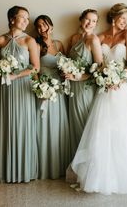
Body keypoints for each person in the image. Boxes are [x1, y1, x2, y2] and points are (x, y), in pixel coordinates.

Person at [70, 3, 127, 195]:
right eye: (123, 18)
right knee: (102, 128)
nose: (125, 22)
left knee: (122, 128)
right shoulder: (99, 37)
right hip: (104, 87)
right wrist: (105, 79)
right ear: (113, 17)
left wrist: (120, 78)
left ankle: (124, 173)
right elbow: (98, 64)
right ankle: (99, 174)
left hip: (121, 88)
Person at [0, 5, 39, 183]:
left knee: (22, 125)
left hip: (23, 88)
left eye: (27, 19)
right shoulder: (0, 40)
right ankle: (5, 171)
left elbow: (36, 68)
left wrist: (16, 75)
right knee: (6, 125)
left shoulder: (29, 41)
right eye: (22, 17)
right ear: (12, 19)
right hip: (5, 89)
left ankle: (24, 170)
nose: (26, 21)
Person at [34, 15, 71, 179]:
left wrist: (65, 75)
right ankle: (43, 167)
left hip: (59, 90)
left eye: (44, 24)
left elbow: (67, 64)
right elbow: (34, 69)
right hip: (44, 88)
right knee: (43, 125)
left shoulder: (59, 44)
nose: (42, 28)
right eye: (38, 26)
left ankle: (59, 166)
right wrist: (41, 88)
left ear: (51, 25)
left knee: (58, 125)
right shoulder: (36, 45)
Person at [66, 9, 102, 159]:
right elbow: (68, 61)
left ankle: (89, 165)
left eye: (94, 21)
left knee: (85, 125)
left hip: (86, 87)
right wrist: (66, 71)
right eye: (87, 19)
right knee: (74, 124)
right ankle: (77, 166)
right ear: (81, 20)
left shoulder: (94, 40)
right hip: (72, 87)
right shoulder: (74, 38)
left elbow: (99, 68)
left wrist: (78, 77)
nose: (90, 23)